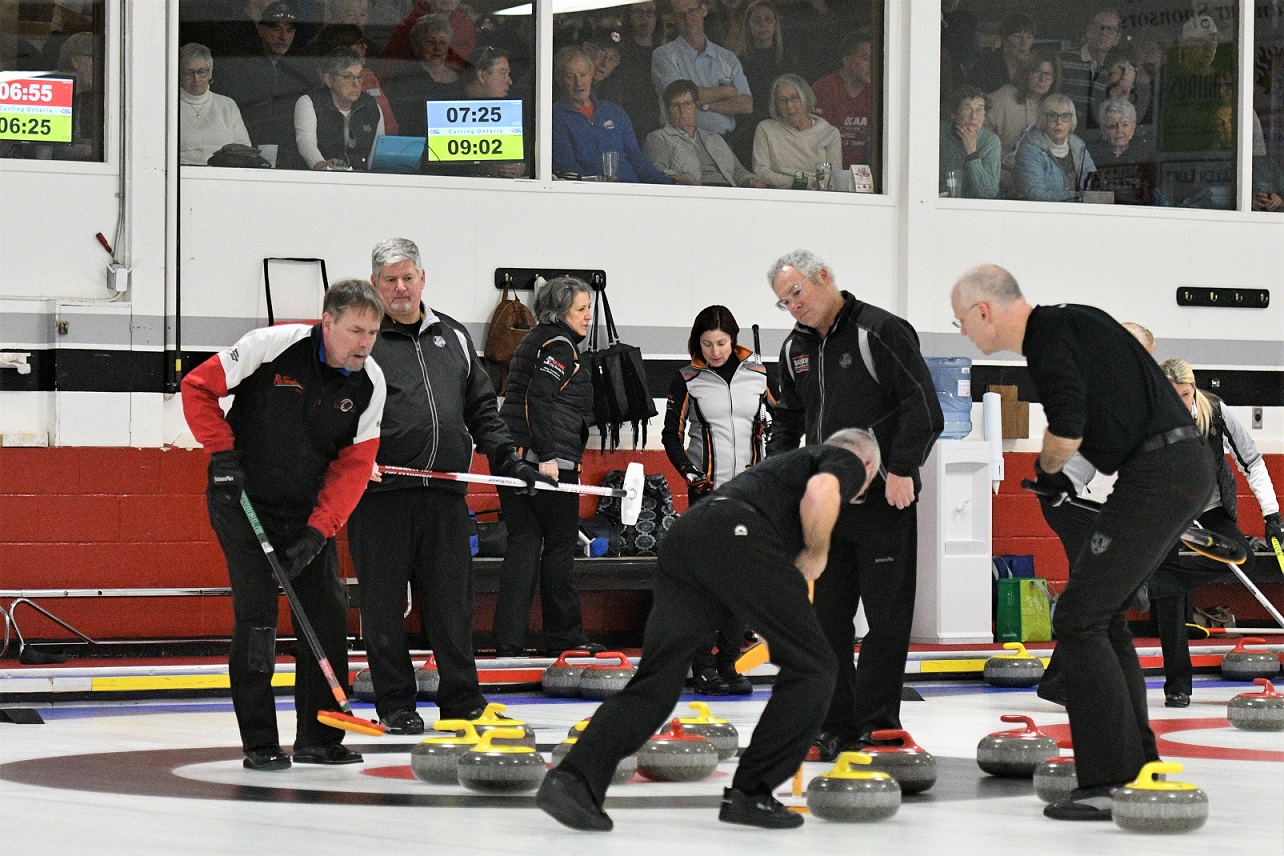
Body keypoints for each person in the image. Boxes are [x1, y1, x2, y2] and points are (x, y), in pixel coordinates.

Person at [950, 264, 1213, 821]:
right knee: (1103, 614)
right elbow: (1110, 422)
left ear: (985, 310)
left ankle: (1107, 780)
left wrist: (1047, 475)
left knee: (1077, 618)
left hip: (1162, 472)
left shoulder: (1046, 343)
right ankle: (1131, 766)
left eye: (961, 322)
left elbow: (1066, 431)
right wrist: (1066, 476)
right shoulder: (1079, 322)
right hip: (1172, 466)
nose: (965, 333)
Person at [536, 428, 881, 832]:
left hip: (690, 532)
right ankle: (752, 792)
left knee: (658, 680)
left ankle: (574, 779)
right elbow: (821, 494)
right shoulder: (846, 460)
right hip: (739, 532)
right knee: (815, 666)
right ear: (869, 465)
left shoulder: (781, 469)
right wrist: (814, 556)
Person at [181, 279, 387, 771]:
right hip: (243, 502)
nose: (365, 343)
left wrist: (318, 535)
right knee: (257, 621)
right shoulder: (269, 347)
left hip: (305, 513)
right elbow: (197, 388)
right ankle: (259, 742)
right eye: (356, 330)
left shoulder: (371, 385)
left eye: (374, 333)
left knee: (326, 616)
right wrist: (222, 454)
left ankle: (319, 738)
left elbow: (353, 468)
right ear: (328, 321)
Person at [345, 240, 547, 736]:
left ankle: (462, 701)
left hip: (445, 498)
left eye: (407, 277)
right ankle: (395, 703)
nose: (400, 288)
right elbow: (338, 410)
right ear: (375, 284)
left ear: (422, 278)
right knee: (384, 607)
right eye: (389, 279)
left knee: (452, 606)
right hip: (380, 499)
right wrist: (349, 460)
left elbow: (481, 408)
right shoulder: (364, 338)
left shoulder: (452, 335)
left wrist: (508, 458)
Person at [768, 249, 943, 762]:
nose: (793, 307)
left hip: (884, 499)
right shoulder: (795, 348)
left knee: (887, 621)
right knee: (828, 622)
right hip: (827, 504)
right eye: (783, 302)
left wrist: (903, 469)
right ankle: (834, 725)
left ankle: (877, 724)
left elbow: (924, 409)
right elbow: (787, 417)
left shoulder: (881, 331)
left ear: (824, 278)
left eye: (797, 294)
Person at [1148, 358, 1282, 708]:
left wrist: (1272, 515)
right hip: (1167, 510)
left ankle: (1160, 579)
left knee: (1243, 555)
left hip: (1210, 506)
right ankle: (1178, 684)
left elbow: (1251, 461)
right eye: (1172, 396)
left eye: (1186, 394)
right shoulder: (1148, 417)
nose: (1182, 403)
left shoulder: (1216, 412)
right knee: (1170, 603)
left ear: (1194, 389)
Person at [492, 276, 606, 657]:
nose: (589, 316)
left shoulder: (533, 340)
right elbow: (538, 399)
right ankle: (566, 638)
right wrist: (548, 457)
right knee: (559, 547)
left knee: (523, 546)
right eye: (581, 309)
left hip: (511, 459)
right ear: (560, 313)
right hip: (547, 463)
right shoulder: (559, 347)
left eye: (589, 307)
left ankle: (509, 642)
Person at [661, 305, 770, 695]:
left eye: (722, 343)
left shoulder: (759, 373)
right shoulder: (688, 379)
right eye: (707, 343)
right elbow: (670, 436)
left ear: (733, 340)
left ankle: (729, 663)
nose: (715, 351)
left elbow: (784, 422)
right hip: (708, 495)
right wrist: (691, 475)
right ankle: (703, 665)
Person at [212, 0, 313, 169]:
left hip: (292, 153)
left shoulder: (303, 66)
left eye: (289, 30)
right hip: (245, 151)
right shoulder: (239, 62)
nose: (283, 37)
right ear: (260, 29)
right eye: (276, 29)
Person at [551, 46, 671, 183]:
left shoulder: (614, 112)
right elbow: (569, 169)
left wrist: (669, 188)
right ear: (559, 79)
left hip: (630, 191)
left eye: (583, 75)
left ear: (591, 74)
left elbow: (637, 160)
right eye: (571, 77)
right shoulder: (555, 117)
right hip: (591, 196)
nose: (579, 83)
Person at [651, 0, 753, 141]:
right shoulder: (663, 55)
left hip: (725, 142)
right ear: (674, 19)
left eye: (692, 11)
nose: (688, 18)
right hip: (681, 140)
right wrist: (726, 92)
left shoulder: (728, 58)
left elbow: (746, 105)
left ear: (703, 10)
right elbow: (679, 97)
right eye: (681, 14)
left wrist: (705, 105)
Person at [644, 79, 765, 186]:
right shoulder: (659, 137)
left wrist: (749, 180)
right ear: (667, 111)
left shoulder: (715, 138)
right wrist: (682, 180)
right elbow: (657, 171)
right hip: (691, 195)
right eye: (675, 105)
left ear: (696, 108)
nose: (682, 110)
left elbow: (737, 170)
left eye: (687, 104)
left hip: (726, 192)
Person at [294, 48, 385, 170]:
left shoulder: (372, 106)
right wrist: (322, 166)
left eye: (359, 77)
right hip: (320, 181)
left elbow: (377, 153)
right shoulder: (309, 102)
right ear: (329, 80)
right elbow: (306, 143)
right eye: (348, 77)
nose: (356, 83)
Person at [985, 50, 1057, 197]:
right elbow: (977, 142)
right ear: (1025, 73)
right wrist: (998, 173)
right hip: (997, 184)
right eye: (1037, 72)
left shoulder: (1054, 107)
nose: (1043, 79)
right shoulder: (1002, 99)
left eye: (1049, 74)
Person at [752, 73, 842, 188]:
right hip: (778, 195)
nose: (789, 106)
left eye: (794, 98)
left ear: (805, 98)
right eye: (782, 100)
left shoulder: (829, 133)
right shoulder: (766, 129)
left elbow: (833, 177)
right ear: (776, 105)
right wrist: (803, 182)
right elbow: (760, 171)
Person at [307, 22, 398, 135]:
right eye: (359, 43)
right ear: (343, 49)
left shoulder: (368, 75)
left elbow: (389, 124)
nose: (365, 47)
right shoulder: (319, 77)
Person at [382, 14, 465, 137]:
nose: (437, 48)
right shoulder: (405, 79)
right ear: (416, 46)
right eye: (430, 42)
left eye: (443, 42)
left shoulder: (462, 79)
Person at [179, 42, 252, 166]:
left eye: (202, 71)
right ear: (179, 73)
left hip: (222, 175)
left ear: (210, 72)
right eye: (189, 72)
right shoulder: (170, 105)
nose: (196, 78)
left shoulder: (227, 105)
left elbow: (244, 149)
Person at [1014, 94, 1097, 202]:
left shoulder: (1078, 147)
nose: (1059, 122)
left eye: (1065, 116)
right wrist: (1077, 196)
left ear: (1072, 121)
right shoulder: (1030, 149)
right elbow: (1035, 194)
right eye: (1053, 116)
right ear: (1043, 119)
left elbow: (1094, 184)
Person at [811, 30, 874, 170]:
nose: (872, 65)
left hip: (863, 175)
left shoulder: (877, 92)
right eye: (865, 58)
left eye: (875, 59)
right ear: (846, 60)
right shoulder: (824, 89)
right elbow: (814, 141)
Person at [1088, 98, 1161, 206]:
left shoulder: (1144, 155)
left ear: (1133, 128)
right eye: (1113, 125)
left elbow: (1152, 194)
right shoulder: (1093, 154)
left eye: (1125, 125)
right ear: (1104, 129)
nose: (1119, 130)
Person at [1058, 7, 1120, 132]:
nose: (1103, 33)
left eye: (1110, 29)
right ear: (1088, 31)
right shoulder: (1062, 60)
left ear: (1116, 39)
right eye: (1099, 27)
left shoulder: (1117, 71)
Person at [938, 84, 1000, 198]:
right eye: (967, 109)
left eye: (979, 110)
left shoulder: (990, 141)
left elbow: (989, 192)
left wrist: (972, 154)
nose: (973, 117)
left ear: (984, 116)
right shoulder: (939, 134)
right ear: (954, 113)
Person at [969, 13, 1034, 94]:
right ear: (1004, 40)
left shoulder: (1035, 65)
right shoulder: (986, 64)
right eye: (1018, 37)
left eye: (1029, 37)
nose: (1024, 43)